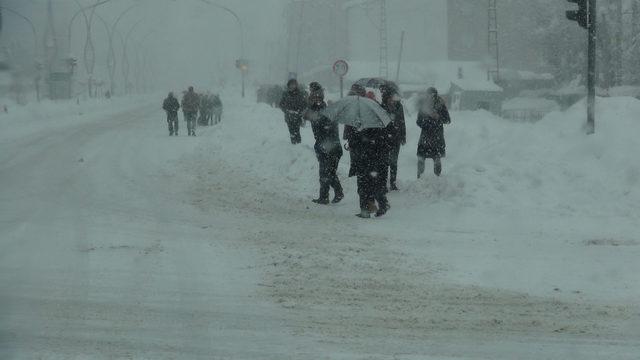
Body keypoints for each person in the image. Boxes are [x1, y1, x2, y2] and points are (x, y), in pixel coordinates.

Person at [344, 84, 391, 218]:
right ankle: (378, 204)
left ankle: (367, 209)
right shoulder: (370, 108)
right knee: (370, 182)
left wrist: (356, 138)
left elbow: (369, 134)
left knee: (364, 183)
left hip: (366, 154)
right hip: (371, 153)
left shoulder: (363, 111)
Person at [303, 82, 344, 205]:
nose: (315, 98)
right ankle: (325, 196)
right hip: (323, 145)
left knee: (327, 172)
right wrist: (309, 104)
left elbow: (323, 123)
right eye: (313, 96)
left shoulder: (326, 110)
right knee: (325, 172)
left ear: (321, 97)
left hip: (331, 146)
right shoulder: (315, 109)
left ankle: (335, 193)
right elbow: (305, 116)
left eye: (317, 97)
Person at [416, 87, 451, 178]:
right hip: (425, 137)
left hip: (437, 137)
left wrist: (438, 117)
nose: (431, 97)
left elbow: (448, 120)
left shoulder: (441, 105)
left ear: (436, 95)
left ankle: (437, 180)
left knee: (437, 160)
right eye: (429, 95)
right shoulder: (423, 106)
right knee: (421, 160)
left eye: (433, 95)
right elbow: (418, 121)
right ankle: (419, 179)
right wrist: (426, 122)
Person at [381, 85, 406, 190]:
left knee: (393, 162)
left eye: (393, 96)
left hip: (396, 137)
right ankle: (383, 184)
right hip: (385, 138)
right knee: (385, 162)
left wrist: (403, 136)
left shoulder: (399, 107)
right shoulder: (381, 107)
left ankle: (393, 183)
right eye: (390, 97)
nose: (392, 99)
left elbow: (402, 121)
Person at [279, 79, 306, 144]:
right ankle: (293, 144)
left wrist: (299, 111)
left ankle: (298, 145)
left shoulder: (300, 93)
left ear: (296, 85)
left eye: (294, 84)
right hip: (289, 116)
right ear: (289, 85)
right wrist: (286, 110)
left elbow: (304, 104)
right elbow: (281, 104)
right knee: (291, 131)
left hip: (297, 116)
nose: (293, 86)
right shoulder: (285, 93)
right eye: (291, 84)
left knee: (297, 130)